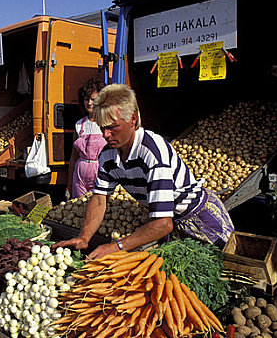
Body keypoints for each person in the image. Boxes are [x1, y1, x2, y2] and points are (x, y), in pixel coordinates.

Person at [54, 84, 234, 259]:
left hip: (198, 221)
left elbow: (163, 223)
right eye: (102, 127)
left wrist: (117, 246)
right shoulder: (108, 155)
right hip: (168, 223)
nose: (105, 135)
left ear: (132, 119)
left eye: (112, 127)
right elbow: (100, 199)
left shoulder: (153, 152)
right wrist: (84, 237)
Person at [65, 78, 106, 199]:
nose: (89, 103)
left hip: (99, 173)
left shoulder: (106, 124)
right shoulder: (79, 125)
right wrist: (68, 186)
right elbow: (73, 157)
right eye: (87, 99)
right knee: (79, 208)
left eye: (94, 99)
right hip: (80, 174)